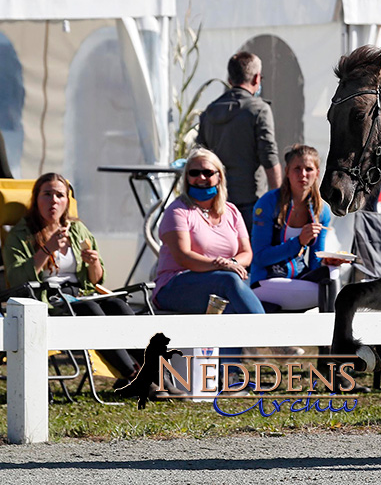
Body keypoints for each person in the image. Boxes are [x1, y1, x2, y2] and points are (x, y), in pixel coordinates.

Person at [1, 173, 153, 392]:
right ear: (36, 199)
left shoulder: (78, 229)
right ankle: (132, 375)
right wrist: (47, 250)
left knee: (117, 306)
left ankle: (155, 372)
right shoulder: (21, 234)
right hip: (48, 299)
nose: (53, 200)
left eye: (60, 195)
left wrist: (93, 264)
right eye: (47, 194)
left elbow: (97, 279)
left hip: (81, 293)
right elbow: (16, 279)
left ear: (67, 201)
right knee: (90, 308)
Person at [153, 148, 264, 389]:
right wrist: (220, 264)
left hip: (220, 286)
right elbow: (184, 257)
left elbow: (247, 254)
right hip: (175, 285)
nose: (201, 178)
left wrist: (233, 263)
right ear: (186, 177)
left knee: (231, 294)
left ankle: (231, 378)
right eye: (194, 172)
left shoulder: (232, 212)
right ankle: (266, 334)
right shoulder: (178, 211)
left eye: (207, 172)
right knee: (229, 283)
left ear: (219, 177)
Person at [250, 144, 347, 312]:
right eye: (297, 169)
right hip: (266, 281)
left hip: (299, 279)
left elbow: (315, 261)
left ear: (317, 173)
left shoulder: (321, 210)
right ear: (287, 172)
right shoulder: (268, 203)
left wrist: (327, 261)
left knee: (331, 273)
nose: (302, 174)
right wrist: (299, 242)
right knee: (328, 291)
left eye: (308, 169)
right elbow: (260, 258)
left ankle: (331, 333)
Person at [196, 51, 282, 229]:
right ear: (257, 78)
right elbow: (269, 158)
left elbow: (199, 158)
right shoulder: (259, 110)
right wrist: (279, 203)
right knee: (250, 254)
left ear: (229, 79)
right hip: (250, 202)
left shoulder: (210, 111)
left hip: (214, 202)